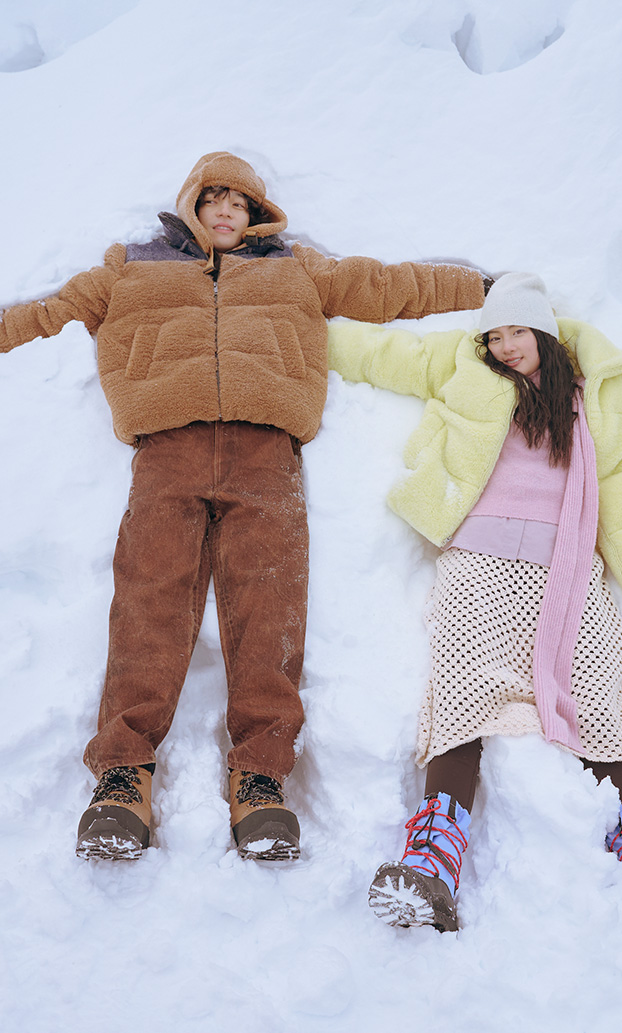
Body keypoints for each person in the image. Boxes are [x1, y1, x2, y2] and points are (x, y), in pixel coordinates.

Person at [0, 151, 490, 862]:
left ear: (259, 214)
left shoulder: (296, 267)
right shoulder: (132, 265)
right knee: (149, 598)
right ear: (192, 205)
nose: (226, 211)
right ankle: (121, 778)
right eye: (214, 199)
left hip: (266, 454)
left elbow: (383, 287)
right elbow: (53, 311)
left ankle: (260, 780)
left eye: (241, 202)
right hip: (166, 449)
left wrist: (478, 286)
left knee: (271, 606)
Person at [327, 272, 622, 931]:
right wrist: (293, 331)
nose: (503, 345)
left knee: (598, 688)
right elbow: (384, 356)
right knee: (463, 687)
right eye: (494, 335)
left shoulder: (615, 388)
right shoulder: (462, 366)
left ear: (546, 332)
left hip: (570, 566)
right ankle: (433, 860)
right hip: (478, 561)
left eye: (517, 330)